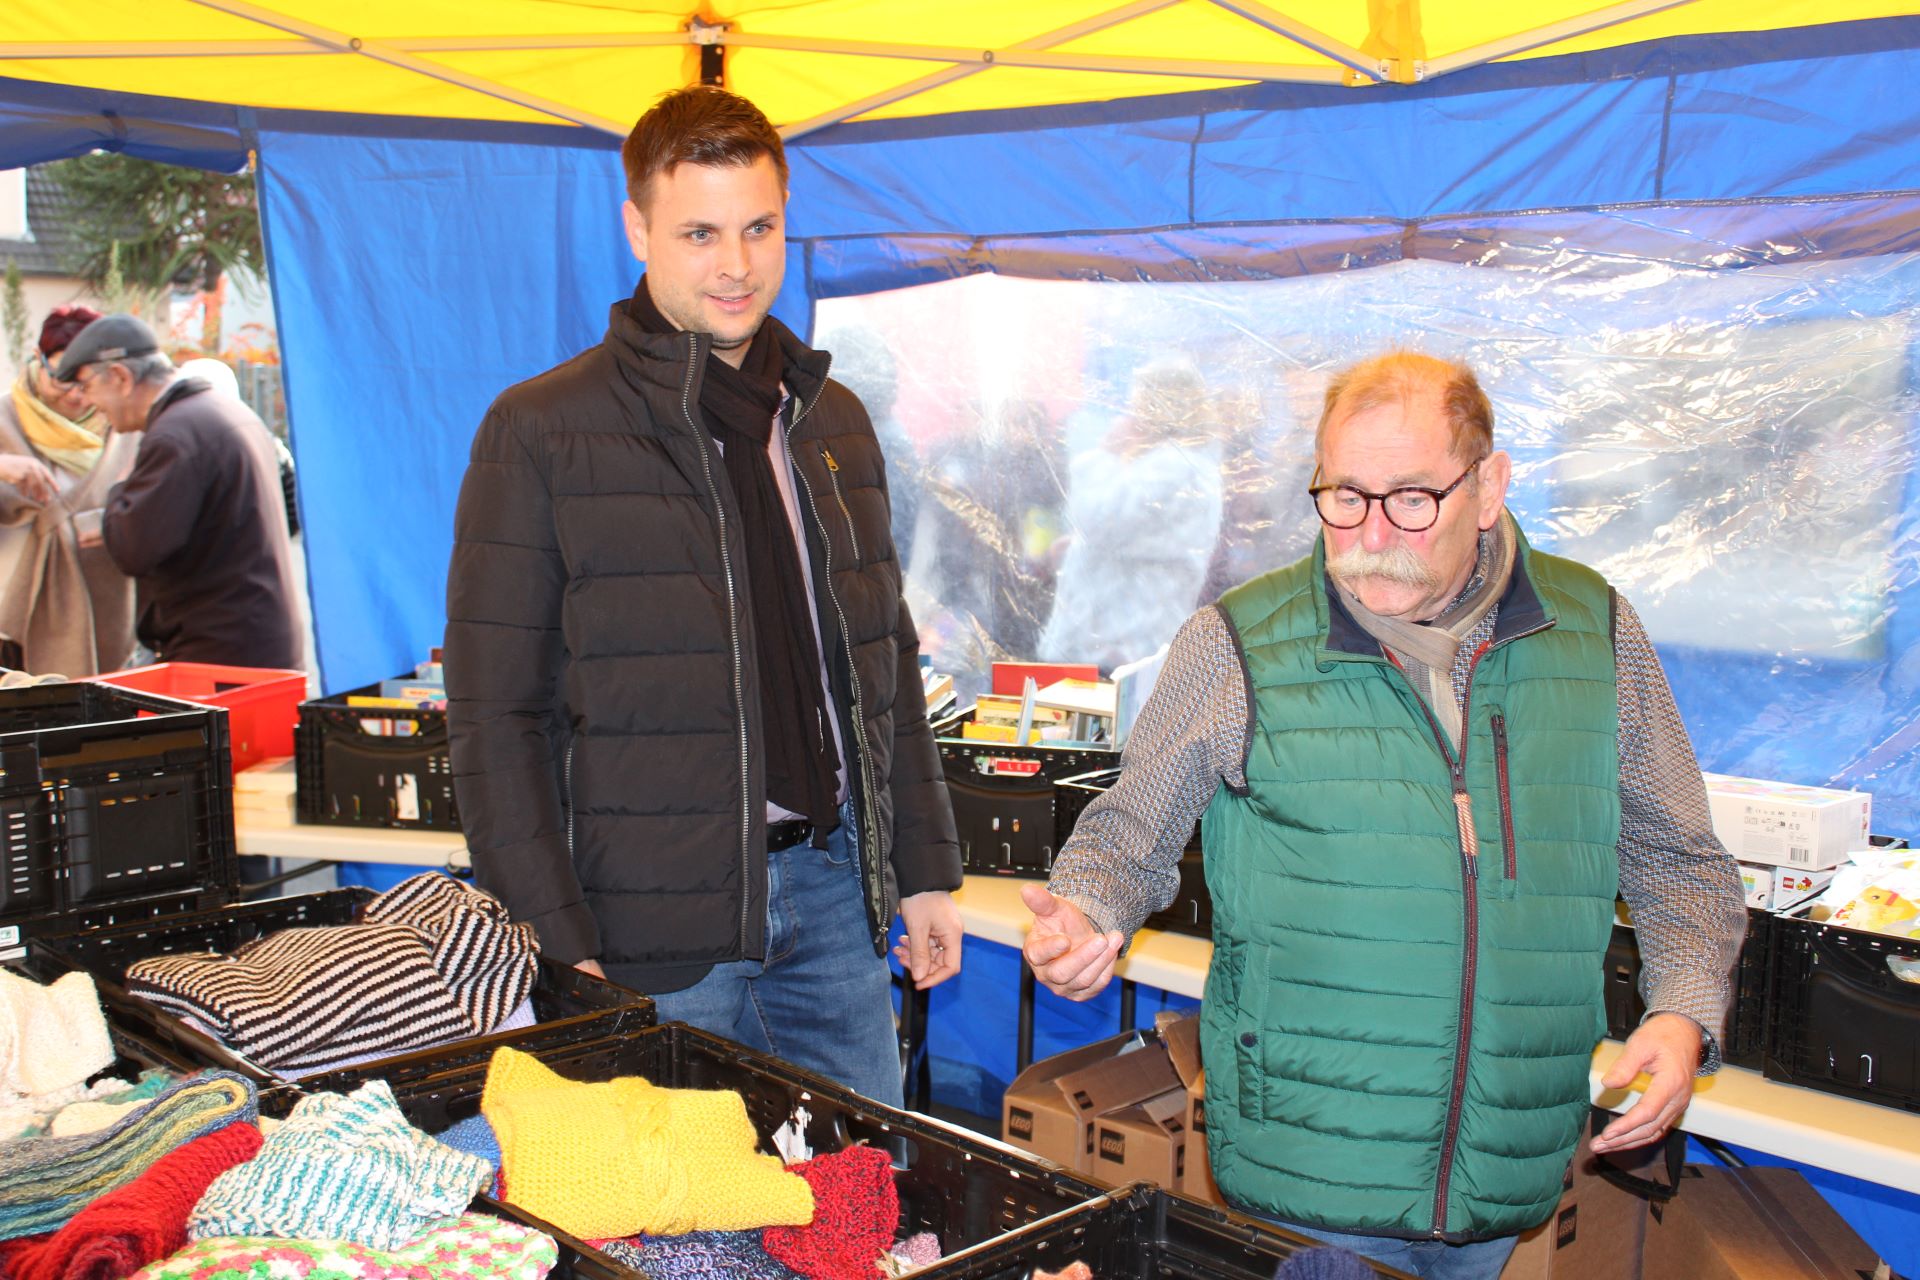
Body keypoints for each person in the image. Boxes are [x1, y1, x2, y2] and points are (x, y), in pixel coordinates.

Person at [1021, 351, 1746, 1279]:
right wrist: (1086, 916)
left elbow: (1678, 857)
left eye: (1411, 498)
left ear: (1488, 486)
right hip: (1312, 1164)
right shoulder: (1241, 643)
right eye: (1343, 497)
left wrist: (1684, 1013)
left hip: (1504, 1165)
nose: (1371, 533)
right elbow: (1128, 834)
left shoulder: (1594, 633)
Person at [443, 87, 963, 1108]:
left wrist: (924, 865)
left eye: (759, 226)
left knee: (860, 1200)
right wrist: (553, 939)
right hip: (648, 924)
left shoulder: (834, 419)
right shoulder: (542, 429)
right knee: (665, 1237)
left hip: (830, 892)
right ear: (637, 227)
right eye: (699, 232)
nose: (736, 263)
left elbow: (882, 657)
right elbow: (495, 716)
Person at [55, 314, 303, 669]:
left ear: (122, 378)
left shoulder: (176, 435)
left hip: (218, 655)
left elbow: (135, 549)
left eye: (86, 386)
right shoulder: (222, 411)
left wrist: (120, 490)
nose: (89, 402)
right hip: (253, 639)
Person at [1038, 358, 1224, 670]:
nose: (1130, 412)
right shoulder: (1186, 466)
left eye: (1137, 401)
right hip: (1127, 639)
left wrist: (1105, 455)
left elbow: (1098, 520)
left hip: (1119, 643)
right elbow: (1134, 537)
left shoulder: (1172, 466)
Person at [0, 305, 138, 675]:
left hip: (105, 605)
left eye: (86, 381)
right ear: (37, 359)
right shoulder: (5, 417)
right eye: (62, 378)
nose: (76, 396)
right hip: (13, 615)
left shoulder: (124, 424)